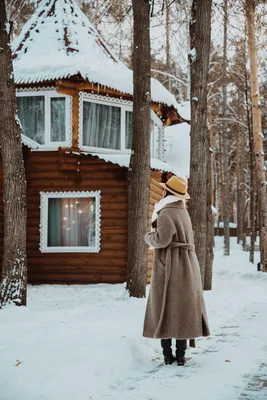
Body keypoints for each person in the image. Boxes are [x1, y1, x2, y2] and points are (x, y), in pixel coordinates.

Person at [143, 175, 210, 366]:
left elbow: (162, 240)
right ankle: (180, 356)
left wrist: (148, 237)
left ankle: (167, 356)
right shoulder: (182, 212)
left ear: (167, 192)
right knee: (182, 310)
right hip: (188, 264)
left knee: (165, 308)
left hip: (171, 265)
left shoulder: (166, 212)